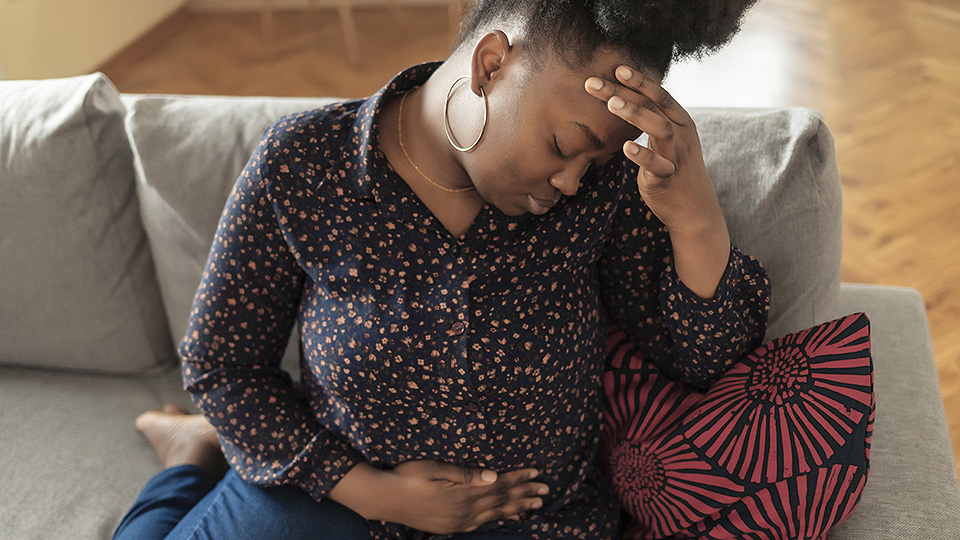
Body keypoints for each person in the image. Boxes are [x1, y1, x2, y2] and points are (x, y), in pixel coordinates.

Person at [112, 0, 870, 538]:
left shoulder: (604, 193)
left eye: (596, 159)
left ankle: (192, 453)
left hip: (540, 522)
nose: (573, 179)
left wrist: (694, 215)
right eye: (565, 143)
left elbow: (705, 360)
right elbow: (222, 367)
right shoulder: (306, 165)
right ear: (491, 62)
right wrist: (373, 494)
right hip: (334, 499)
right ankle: (190, 455)